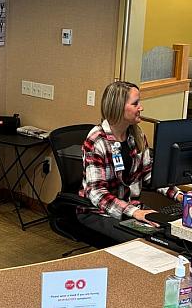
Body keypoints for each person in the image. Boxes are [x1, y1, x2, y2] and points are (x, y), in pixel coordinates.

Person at [78, 81, 182, 244]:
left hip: (130, 208)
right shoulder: (97, 140)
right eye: (135, 103)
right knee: (148, 242)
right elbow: (96, 192)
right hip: (99, 211)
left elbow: (149, 175)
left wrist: (180, 195)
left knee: (170, 234)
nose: (141, 107)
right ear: (119, 108)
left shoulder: (137, 136)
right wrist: (134, 212)